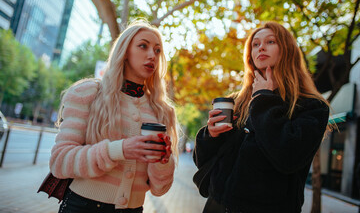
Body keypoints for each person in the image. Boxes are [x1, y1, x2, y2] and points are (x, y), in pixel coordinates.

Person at [193, 22, 330, 213]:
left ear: (287, 50)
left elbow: (288, 156)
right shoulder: (236, 102)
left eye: (270, 41)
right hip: (217, 206)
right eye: (255, 44)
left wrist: (264, 100)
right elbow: (204, 161)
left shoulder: (312, 106)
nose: (261, 47)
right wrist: (210, 135)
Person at [50, 20, 178, 213]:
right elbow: (60, 161)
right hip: (82, 207)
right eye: (143, 46)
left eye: (158, 50)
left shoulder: (162, 111)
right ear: (125, 51)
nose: (152, 55)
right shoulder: (88, 94)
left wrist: (163, 161)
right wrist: (120, 150)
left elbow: (160, 189)